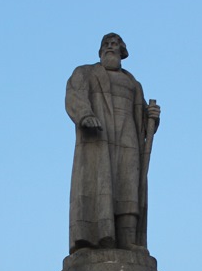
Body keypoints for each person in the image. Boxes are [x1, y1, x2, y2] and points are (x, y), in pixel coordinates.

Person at [65, 33, 160, 254]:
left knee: (128, 186)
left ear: (122, 52)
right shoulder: (85, 73)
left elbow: (145, 119)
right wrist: (84, 115)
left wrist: (152, 116)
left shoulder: (133, 83)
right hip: (99, 138)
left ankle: (127, 239)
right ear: (99, 52)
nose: (110, 47)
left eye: (114, 44)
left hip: (129, 140)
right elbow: (74, 95)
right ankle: (89, 240)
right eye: (105, 45)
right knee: (96, 187)